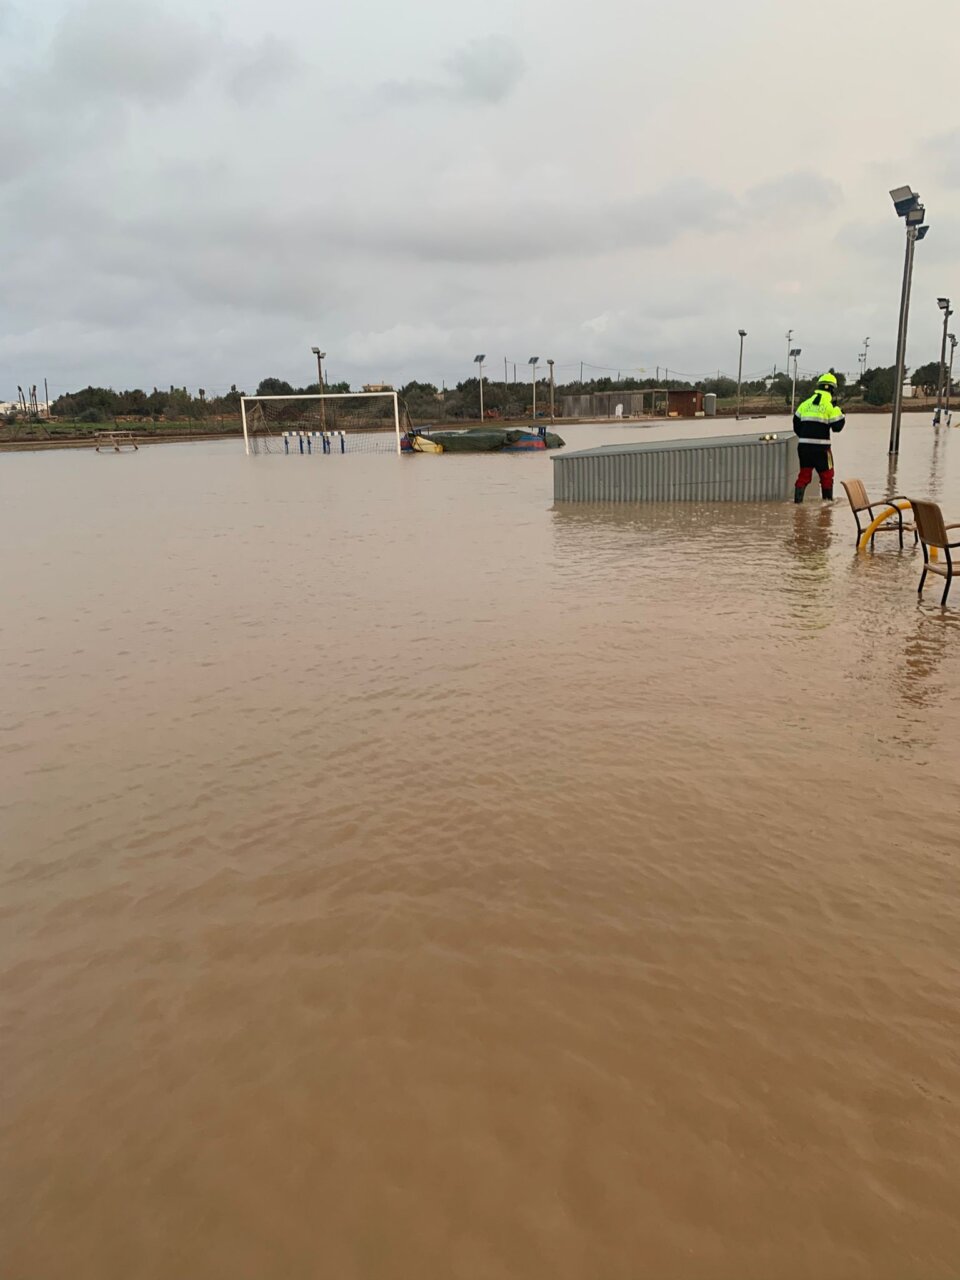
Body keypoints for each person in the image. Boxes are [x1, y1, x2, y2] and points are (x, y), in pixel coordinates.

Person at [793, 371, 845, 503]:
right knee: (827, 476)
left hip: (803, 448)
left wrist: (806, 437)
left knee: (804, 476)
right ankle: (827, 508)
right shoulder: (830, 406)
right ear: (832, 389)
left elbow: (796, 424)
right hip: (822, 450)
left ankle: (797, 505)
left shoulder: (805, 404)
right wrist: (840, 412)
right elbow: (837, 427)